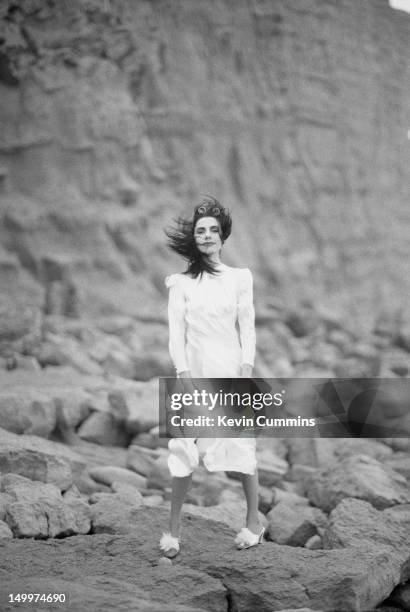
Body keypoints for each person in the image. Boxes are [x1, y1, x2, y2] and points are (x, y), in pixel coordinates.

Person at [159, 196, 264, 558]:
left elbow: (247, 328)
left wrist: (246, 369)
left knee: (241, 446)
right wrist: (183, 373)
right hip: (194, 374)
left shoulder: (240, 278)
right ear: (194, 237)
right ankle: (172, 530)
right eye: (200, 231)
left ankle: (253, 522)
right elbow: (176, 335)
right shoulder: (181, 284)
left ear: (223, 237)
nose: (206, 236)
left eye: (212, 231)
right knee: (184, 448)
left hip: (231, 371)